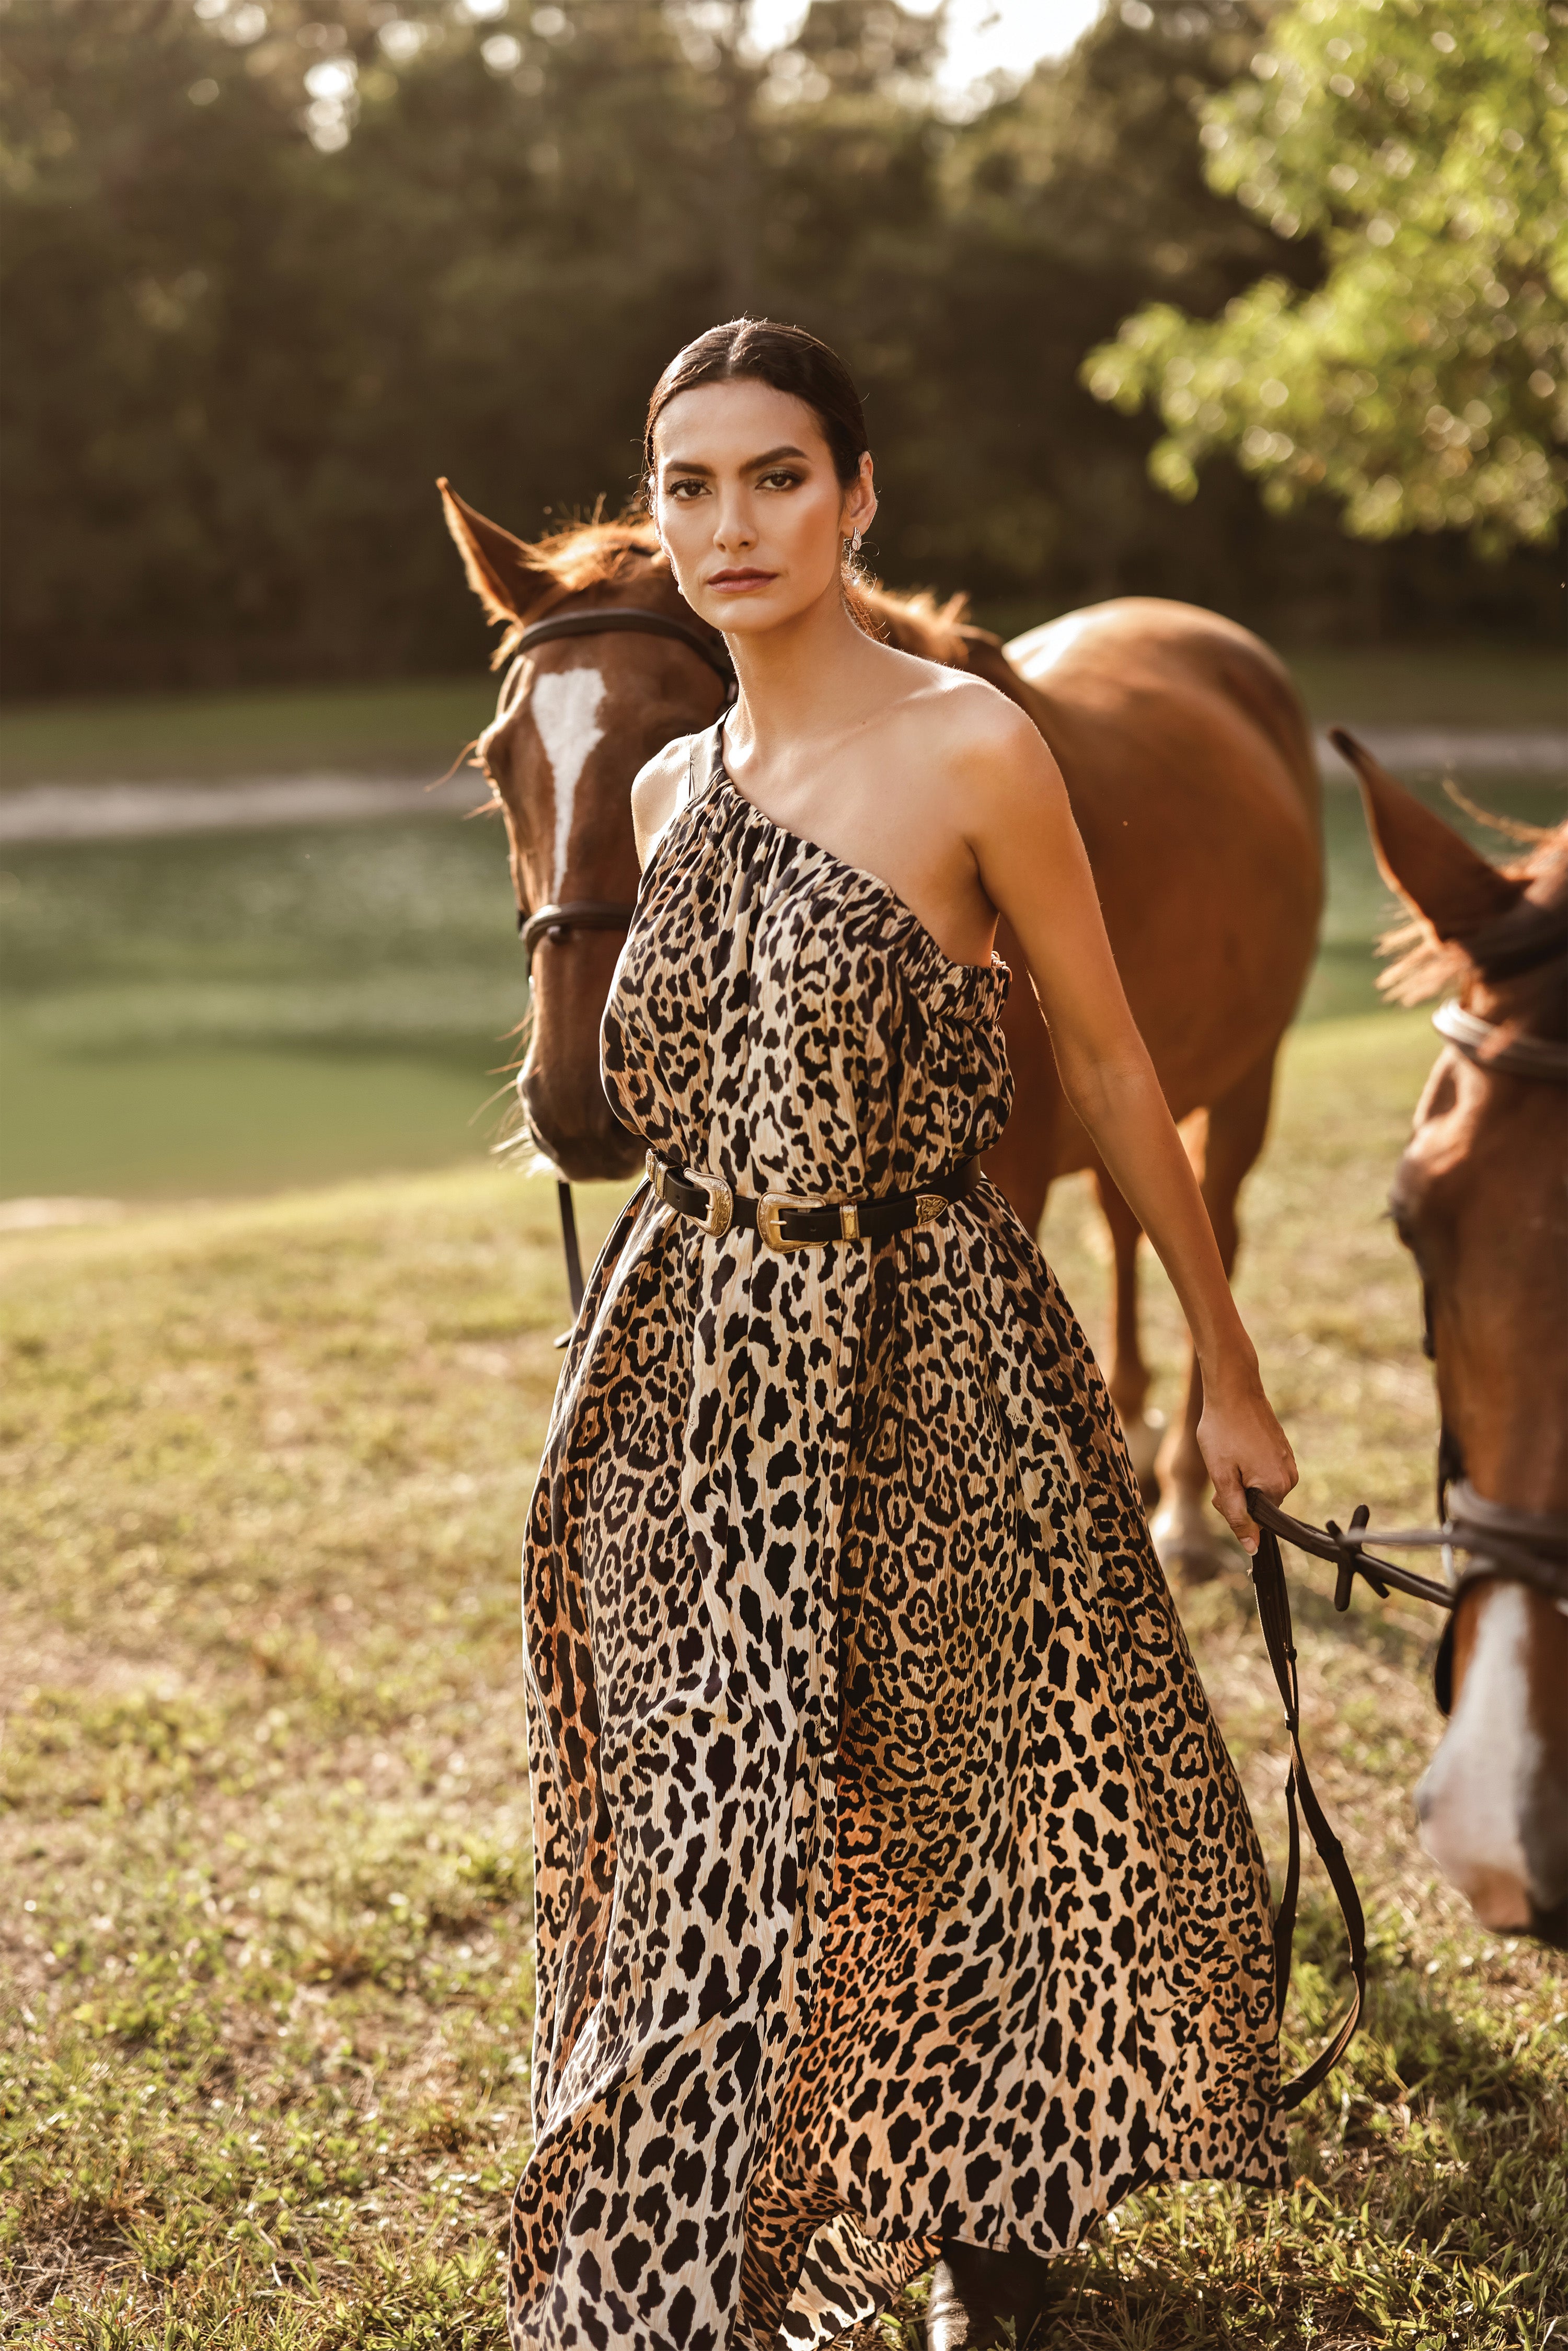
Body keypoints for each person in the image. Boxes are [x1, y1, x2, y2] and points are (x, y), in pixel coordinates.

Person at [507, 317, 1298, 2351]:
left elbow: (1115, 1072)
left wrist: (1229, 1367)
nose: (729, 523)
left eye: (776, 476)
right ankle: (695, 2258)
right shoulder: (673, 787)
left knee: (937, 1814)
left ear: (859, 497)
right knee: (694, 1824)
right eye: (689, 484)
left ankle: (988, 2245)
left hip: (924, 1345)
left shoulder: (970, 748)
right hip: (691, 1362)